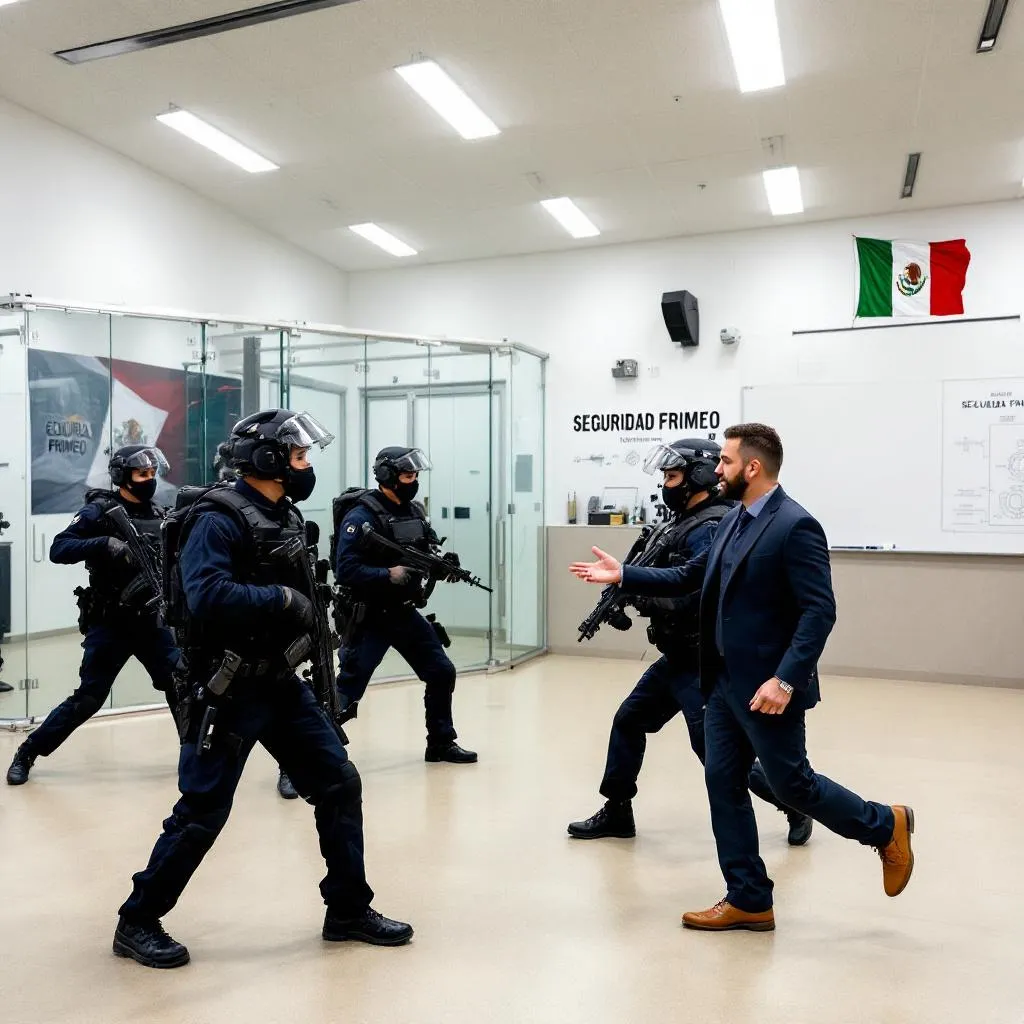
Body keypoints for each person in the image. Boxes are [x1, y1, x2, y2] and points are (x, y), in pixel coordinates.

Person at [570, 423, 914, 932]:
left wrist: (786, 681)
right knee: (722, 782)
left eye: (727, 461)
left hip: (766, 687)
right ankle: (749, 897)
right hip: (721, 679)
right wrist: (625, 575)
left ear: (752, 467)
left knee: (792, 782)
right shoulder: (736, 521)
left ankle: (885, 825)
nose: (720, 469)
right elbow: (691, 575)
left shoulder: (795, 525)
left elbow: (819, 612)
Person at [112, 410, 411, 969]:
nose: (307, 465)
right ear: (269, 459)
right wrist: (281, 600)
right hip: (226, 687)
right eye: (299, 456)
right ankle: (138, 919)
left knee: (338, 784)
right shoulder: (218, 519)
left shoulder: (284, 513)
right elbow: (205, 594)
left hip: (280, 682)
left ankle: (347, 909)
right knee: (203, 811)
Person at [568, 439, 811, 846]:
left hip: (701, 661)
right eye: (664, 476)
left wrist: (641, 596)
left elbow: (697, 594)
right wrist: (625, 583)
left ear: (697, 475)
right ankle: (617, 810)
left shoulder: (711, 525)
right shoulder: (680, 520)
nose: (666, 484)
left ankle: (794, 802)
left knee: (717, 753)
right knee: (629, 720)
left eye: (673, 475)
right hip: (676, 656)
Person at [6, 447, 180, 786]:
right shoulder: (100, 511)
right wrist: (104, 544)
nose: (149, 480)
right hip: (111, 623)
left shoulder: (161, 513)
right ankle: (27, 752)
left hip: (152, 621)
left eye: (152, 473)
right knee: (88, 698)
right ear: (121, 477)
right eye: (142, 474)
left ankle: (193, 756)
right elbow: (60, 548)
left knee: (180, 685)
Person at [333, 446, 477, 764]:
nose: (413, 481)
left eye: (415, 476)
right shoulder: (361, 516)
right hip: (369, 616)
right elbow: (344, 569)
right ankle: (302, 758)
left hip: (403, 612)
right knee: (345, 692)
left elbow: (425, 549)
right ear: (386, 476)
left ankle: (440, 742)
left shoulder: (414, 512)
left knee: (441, 672)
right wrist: (387, 573)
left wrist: (442, 564)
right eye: (407, 475)